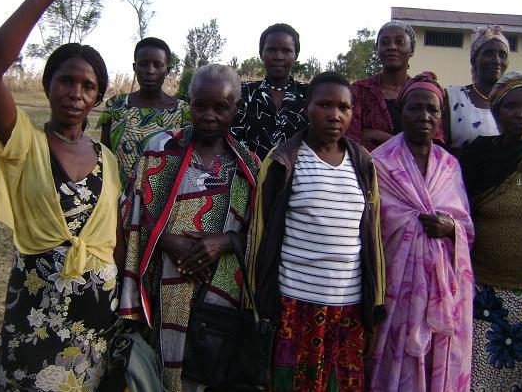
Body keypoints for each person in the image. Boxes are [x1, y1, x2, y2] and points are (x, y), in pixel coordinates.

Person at [0, 0, 122, 390]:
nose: (76, 93)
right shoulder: (24, 142)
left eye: (88, 86)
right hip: (34, 320)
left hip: (95, 325)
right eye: (66, 81)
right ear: (48, 85)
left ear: (97, 97)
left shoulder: (107, 159)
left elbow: (115, 240)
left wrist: (122, 311)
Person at [118, 64, 260, 392]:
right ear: (189, 103)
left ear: (236, 109)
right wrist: (165, 240)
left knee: (209, 369)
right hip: (165, 287)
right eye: (200, 106)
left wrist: (224, 242)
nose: (209, 116)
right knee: (161, 371)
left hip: (221, 296)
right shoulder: (160, 150)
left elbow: (259, 234)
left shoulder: (248, 165)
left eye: (220, 107)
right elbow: (131, 212)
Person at [247, 72, 386, 391]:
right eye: (324, 105)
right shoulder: (283, 160)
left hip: (349, 311)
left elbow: (373, 237)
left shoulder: (362, 163)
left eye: (344, 107)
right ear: (306, 107)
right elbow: (260, 234)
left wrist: (374, 306)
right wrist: (256, 304)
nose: (335, 114)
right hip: (294, 307)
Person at [369, 72, 474, 392]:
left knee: (435, 366)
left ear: (441, 116)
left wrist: (450, 227)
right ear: (400, 112)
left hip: (441, 290)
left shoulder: (449, 166)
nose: (424, 116)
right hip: (394, 289)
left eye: (432, 109)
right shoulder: (379, 163)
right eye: (415, 108)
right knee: (392, 361)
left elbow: (466, 228)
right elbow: (369, 226)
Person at [460, 71, 522, 392]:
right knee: (481, 376)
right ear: (497, 110)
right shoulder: (478, 156)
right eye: (511, 106)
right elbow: (459, 215)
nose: (521, 113)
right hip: (484, 290)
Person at [98, 37, 189, 188]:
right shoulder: (115, 106)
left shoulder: (182, 111)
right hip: (117, 195)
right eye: (143, 64)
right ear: (135, 67)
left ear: (167, 70)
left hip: (160, 198)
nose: (150, 71)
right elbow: (103, 155)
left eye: (157, 65)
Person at [346, 20, 444, 152]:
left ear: (412, 50)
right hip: (368, 164)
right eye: (384, 42)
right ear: (378, 49)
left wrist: (379, 136)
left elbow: (435, 143)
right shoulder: (359, 91)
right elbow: (350, 139)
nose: (392, 46)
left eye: (400, 42)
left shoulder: (424, 93)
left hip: (415, 166)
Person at [230, 23, 309, 160]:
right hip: (247, 172)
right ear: (261, 53)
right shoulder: (242, 92)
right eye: (272, 50)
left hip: (300, 173)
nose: (278, 56)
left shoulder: (310, 95)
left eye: (286, 51)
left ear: (296, 55)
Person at [444, 25, 510, 148]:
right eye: (489, 53)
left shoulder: (512, 102)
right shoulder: (453, 97)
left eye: (502, 55)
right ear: (474, 60)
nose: (496, 60)